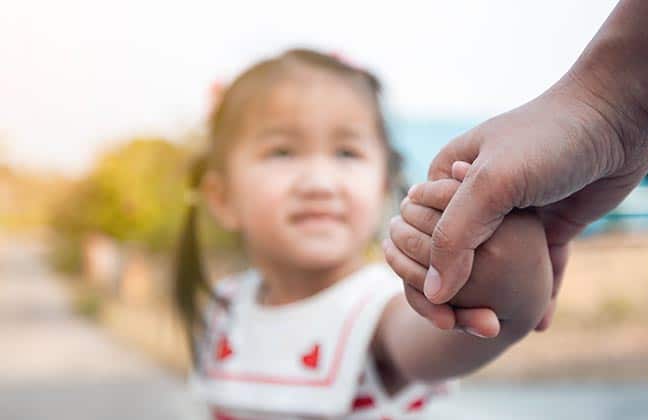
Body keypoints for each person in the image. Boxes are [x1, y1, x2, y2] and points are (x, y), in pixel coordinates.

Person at [173, 49, 553, 419]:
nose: (320, 183)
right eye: (282, 152)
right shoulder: (226, 306)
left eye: (346, 153)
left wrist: (515, 282)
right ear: (221, 198)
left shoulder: (381, 312)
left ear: (383, 188)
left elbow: (439, 339)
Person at [385, 0, 648, 336]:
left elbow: (435, 347)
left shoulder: (367, 310)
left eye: (346, 152)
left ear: (387, 173)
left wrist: (514, 266)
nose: (319, 181)